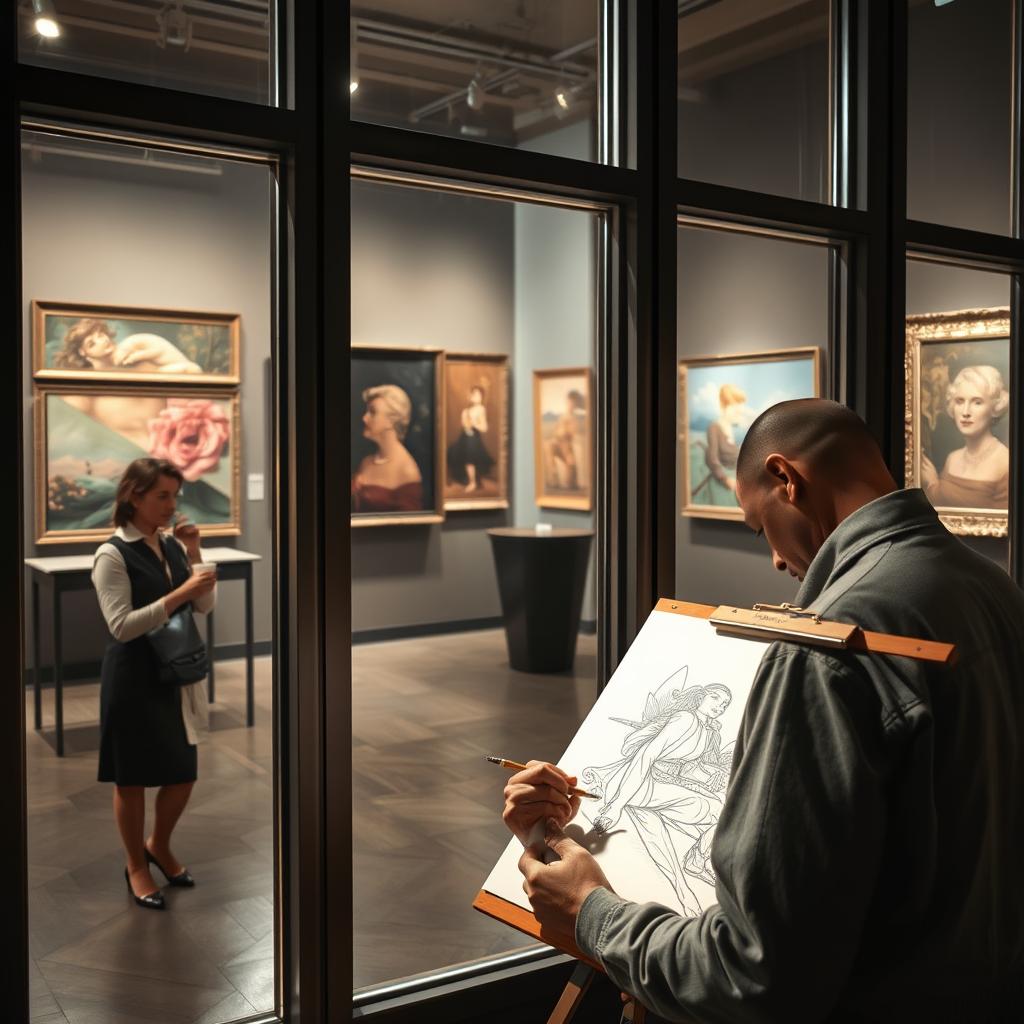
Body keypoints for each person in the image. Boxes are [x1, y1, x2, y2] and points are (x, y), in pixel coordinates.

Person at [503, 399, 1024, 1022]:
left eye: (758, 528)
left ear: (786, 478)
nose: (776, 560)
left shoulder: (826, 646)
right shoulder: (994, 587)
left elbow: (755, 975)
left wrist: (593, 912)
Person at [92, 458, 217, 910]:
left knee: (182, 772)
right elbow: (121, 626)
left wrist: (196, 553)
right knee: (131, 779)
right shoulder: (112, 554)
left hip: (175, 673)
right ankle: (136, 865)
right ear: (134, 496)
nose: (171, 505)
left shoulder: (173, 545)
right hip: (133, 678)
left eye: (174, 496)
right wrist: (180, 593)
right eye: (161, 496)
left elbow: (203, 607)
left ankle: (158, 844)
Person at [583, 682, 733, 916]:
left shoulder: (705, 730)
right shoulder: (685, 719)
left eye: (725, 704)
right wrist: (616, 806)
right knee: (718, 811)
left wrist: (709, 776)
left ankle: (696, 860)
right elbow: (646, 755)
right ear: (701, 696)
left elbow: (682, 767)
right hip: (642, 781)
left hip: (662, 783)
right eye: (715, 697)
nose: (720, 706)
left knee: (722, 808)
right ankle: (694, 863)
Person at [920, 364, 1009, 509]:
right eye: (960, 401)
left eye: (977, 402)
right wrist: (932, 485)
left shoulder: (1005, 462)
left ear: (994, 408)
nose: (965, 412)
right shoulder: (952, 458)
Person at [351, 384, 424, 513]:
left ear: (392, 420)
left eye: (372, 412)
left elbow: (406, 527)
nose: (364, 418)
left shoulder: (407, 470)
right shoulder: (366, 462)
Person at [54, 318, 201, 374]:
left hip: (188, 372)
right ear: (82, 353)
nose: (103, 340)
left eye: (101, 335)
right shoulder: (99, 371)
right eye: (92, 343)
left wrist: (137, 356)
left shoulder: (125, 349)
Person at [694, 383, 747, 505]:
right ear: (724, 406)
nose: (739, 414)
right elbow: (712, 459)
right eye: (736, 410)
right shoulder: (714, 427)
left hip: (737, 480)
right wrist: (725, 479)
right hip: (724, 482)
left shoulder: (733, 428)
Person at [447, 384, 495, 493]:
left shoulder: (481, 409)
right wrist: (465, 419)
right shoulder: (466, 410)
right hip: (464, 437)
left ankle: (472, 482)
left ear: (481, 397)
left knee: (470, 460)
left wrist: (474, 424)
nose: (475, 396)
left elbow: (484, 428)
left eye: (478, 395)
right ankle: (462, 479)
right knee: (453, 453)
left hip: (474, 439)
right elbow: (464, 425)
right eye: (474, 394)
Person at [547, 388, 585, 491]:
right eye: (569, 402)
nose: (570, 404)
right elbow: (556, 431)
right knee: (550, 448)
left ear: (575, 404)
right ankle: (554, 481)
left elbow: (570, 433)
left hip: (567, 446)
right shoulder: (563, 416)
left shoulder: (574, 418)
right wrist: (557, 436)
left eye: (573, 403)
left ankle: (570, 483)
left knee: (571, 464)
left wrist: (563, 433)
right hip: (559, 444)